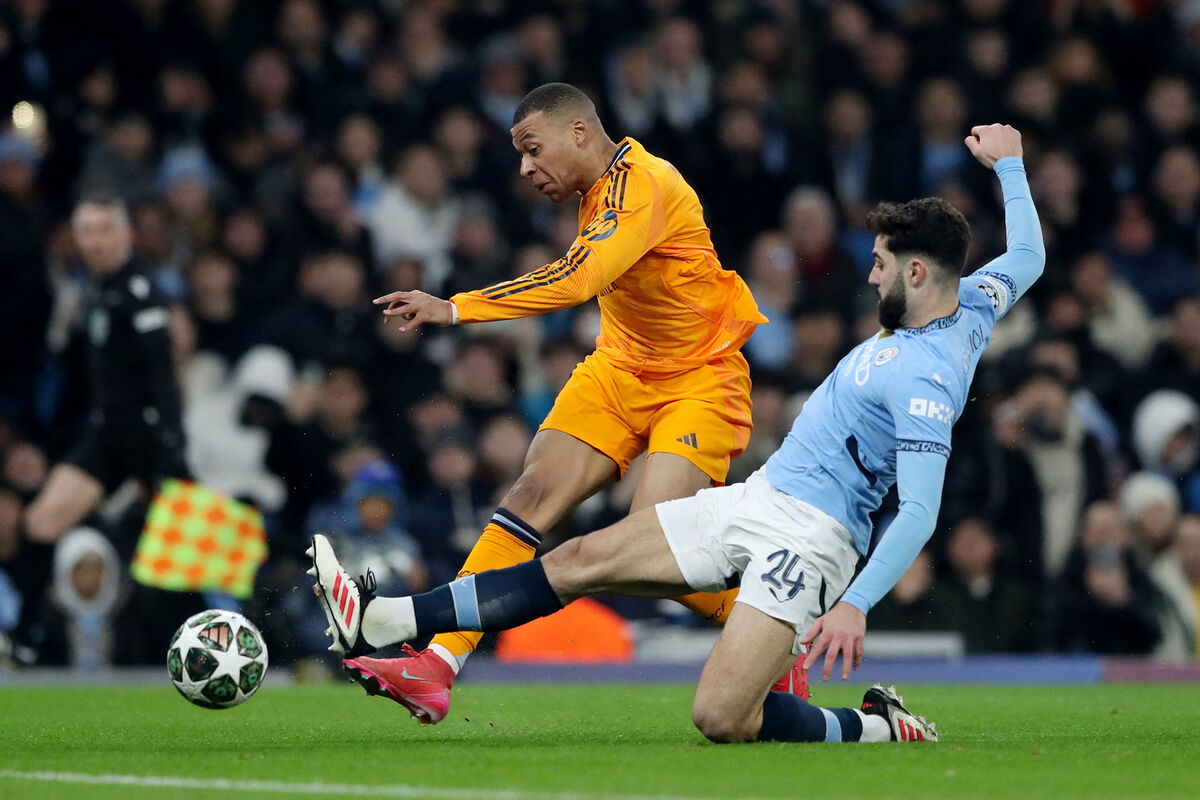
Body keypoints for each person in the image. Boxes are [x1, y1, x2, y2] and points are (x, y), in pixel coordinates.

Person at [310, 123, 1044, 743]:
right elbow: (1031, 258)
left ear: (915, 275)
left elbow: (919, 510)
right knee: (582, 557)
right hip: (760, 498)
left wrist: (855, 603)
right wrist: (1010, 165)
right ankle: (386, 619)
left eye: (879, 266)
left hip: (812, 539)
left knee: (721, 717)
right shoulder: (973, 301)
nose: (869, 276)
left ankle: (878, 728)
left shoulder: (925, 381)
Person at [366, 82, 768, 721]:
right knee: (529, 498)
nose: (525, 168)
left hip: (699, 378)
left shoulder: (643, 184)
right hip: (618, 368)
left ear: (578, 131)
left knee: (652, 548)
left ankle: (776, 624)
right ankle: (435, 667)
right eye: (519, 155)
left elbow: (578, 278)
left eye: (533, 148)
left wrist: (456, 308)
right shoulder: (594, 192)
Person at [5, 192, 190, 664]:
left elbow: (162, 372)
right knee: (40, 523)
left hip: (146, 438)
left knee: (195, 552)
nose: (94, 241)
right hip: (108, 436)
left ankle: (243, 632)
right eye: (86, 231)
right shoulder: (97, 290)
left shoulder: (139, 291)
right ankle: (26, 641)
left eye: (104, 230)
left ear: (125, 235)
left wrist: (171, 441)